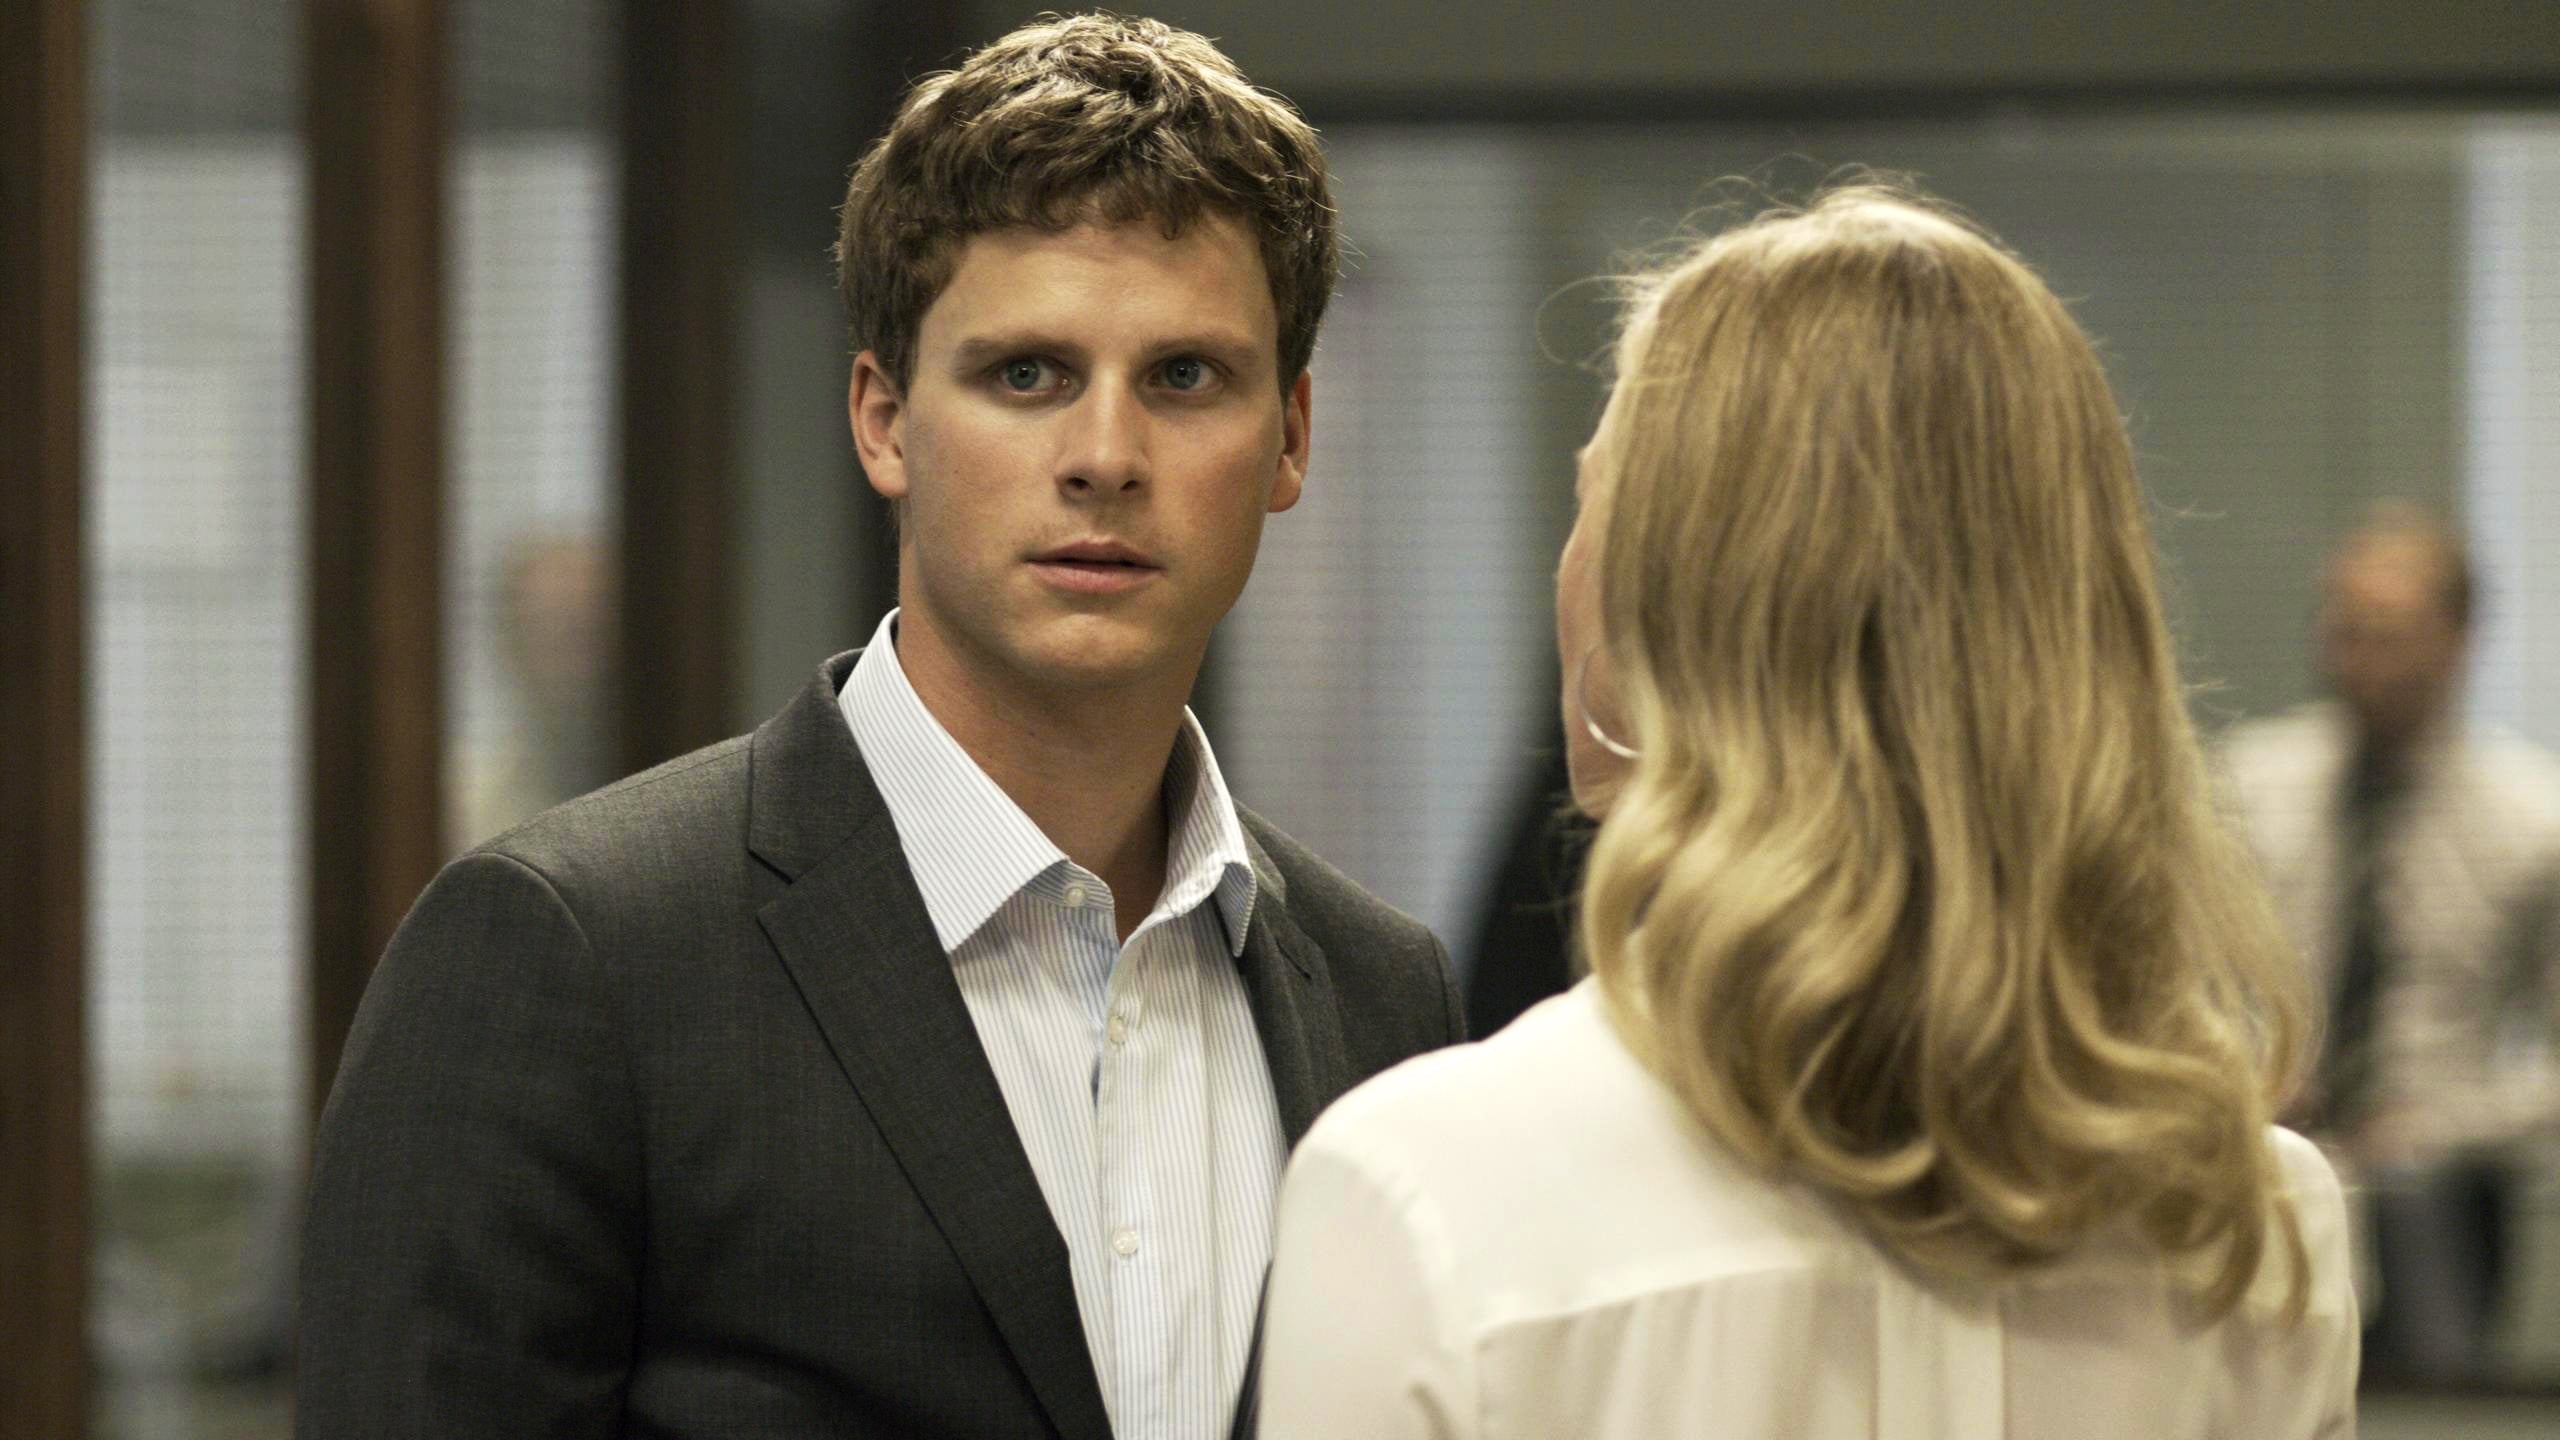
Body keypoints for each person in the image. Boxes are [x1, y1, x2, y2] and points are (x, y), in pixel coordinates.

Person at [297, 16, 1463, 1440]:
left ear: (1289, 438)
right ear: (884, 421)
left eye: (1183, 378)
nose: (1105, 457)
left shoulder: (1383, 998)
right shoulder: (575, 956)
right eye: (1026, 374)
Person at [1258, 186, 2360, 1438]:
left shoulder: (1428, 1201)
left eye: (1593, 508)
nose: (1566, 571)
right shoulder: (2259, 1233)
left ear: (1674, 617)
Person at [2221, 504, 2560, 1382]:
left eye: (2390, 634)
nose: (2361, 660)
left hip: (2436, 1185)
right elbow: (2185, 981)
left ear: (2457, 640)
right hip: (2267, 1153)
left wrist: (2444, 1122)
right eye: (2346, 629)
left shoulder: (2531, 823)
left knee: (2414, 1205)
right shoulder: (2250, 787)